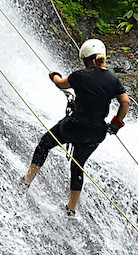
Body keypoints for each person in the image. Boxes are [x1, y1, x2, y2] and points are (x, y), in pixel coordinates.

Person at [24, 38, 130, 216]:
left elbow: (60, 83)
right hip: (97, 132)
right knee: (78, 164)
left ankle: (26, 181)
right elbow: (125, 102)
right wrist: (116, 124)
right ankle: (71, 209)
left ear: (86, 58)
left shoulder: (79, 76)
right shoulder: (113, 79)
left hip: (74, 126)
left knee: (45, 143)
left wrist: (54, 75)